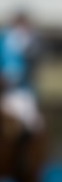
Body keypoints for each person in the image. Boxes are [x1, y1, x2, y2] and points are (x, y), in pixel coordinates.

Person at [0, 9, 45, 139]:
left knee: (32, 125)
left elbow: (34, 63)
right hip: (4, 92)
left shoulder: (32, 41)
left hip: (22, 91)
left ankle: (24, 157)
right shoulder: (4, 39)